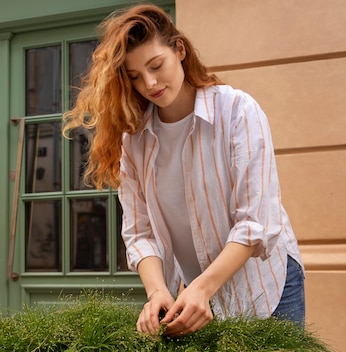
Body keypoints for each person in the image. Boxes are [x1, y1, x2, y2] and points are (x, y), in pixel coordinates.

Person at [62, 4, 305, 337]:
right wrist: (157, 291)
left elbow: (255, 223)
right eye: (134, 76)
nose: (149, 83)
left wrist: (203, 288)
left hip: (265, 284)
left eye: (156, 65)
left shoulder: (236, 111)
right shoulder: (134, 142)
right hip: (191, 294)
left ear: (180, 49)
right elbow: (139, 233)